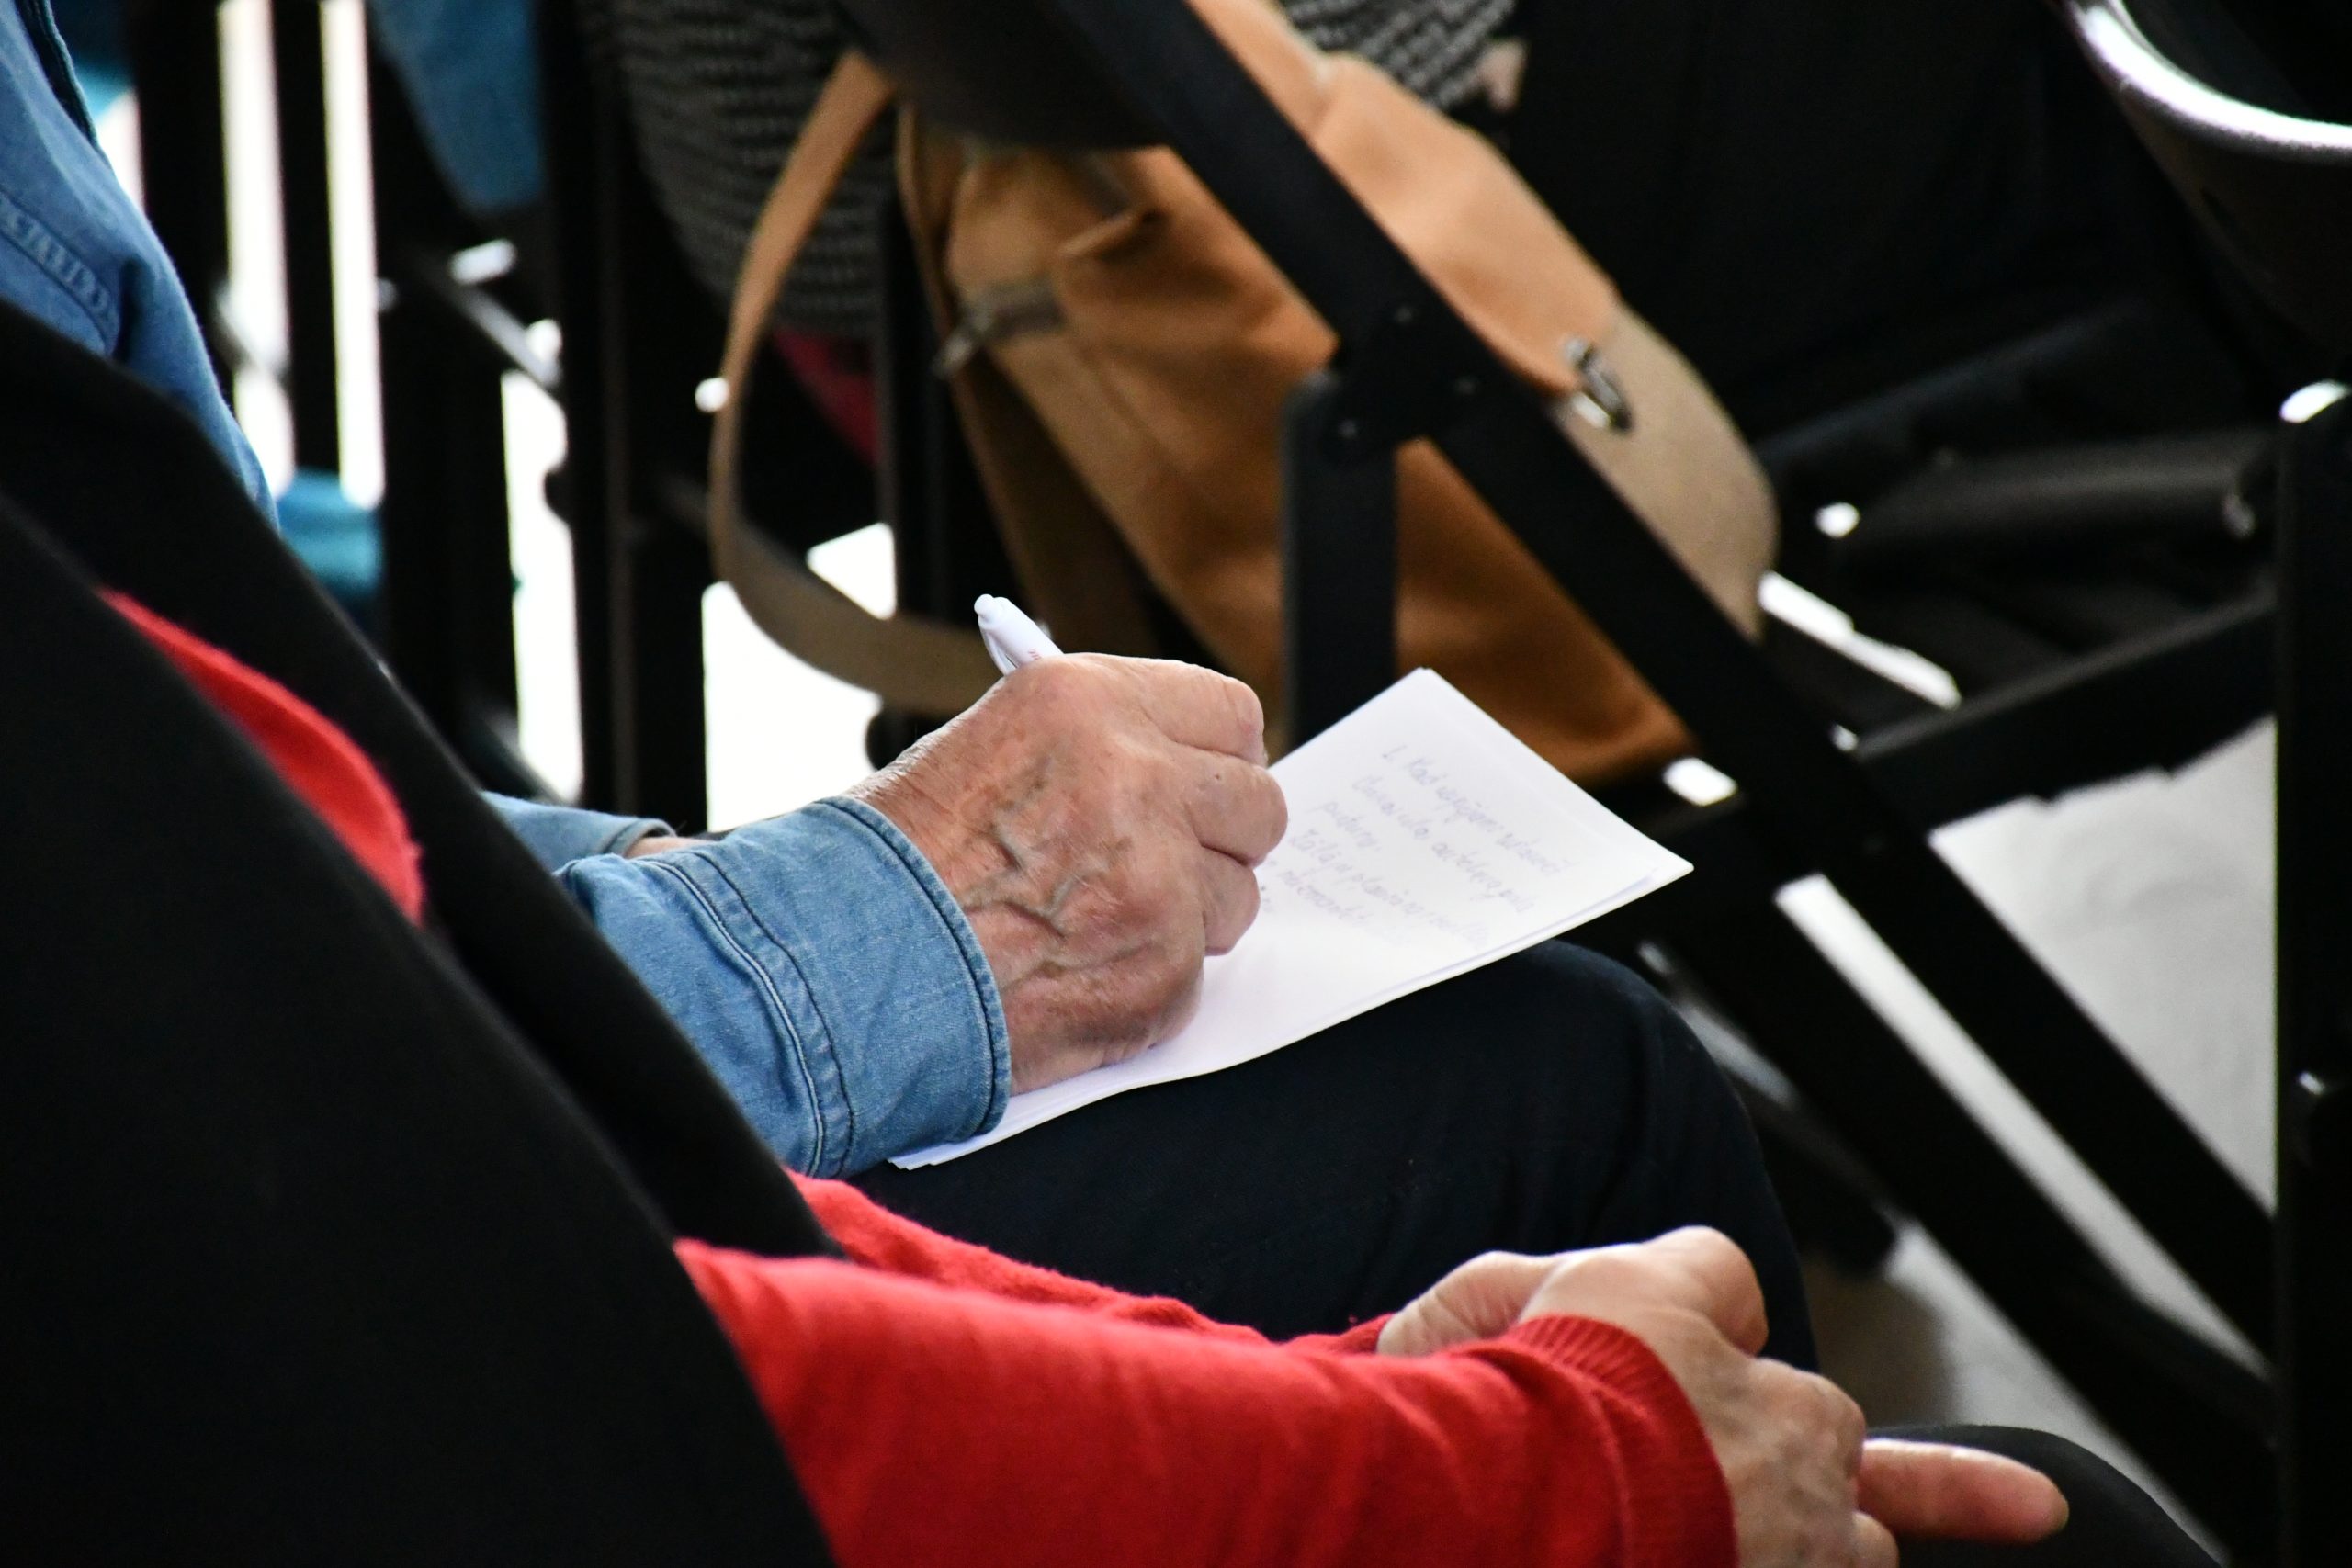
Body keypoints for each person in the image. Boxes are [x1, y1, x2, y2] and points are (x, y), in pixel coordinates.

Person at [4, 0, 1816, 1354]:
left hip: (831, 285)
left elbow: (213, 773)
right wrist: (911, 916)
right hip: (285, 1277)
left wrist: (621, 881)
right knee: (1580, 1087)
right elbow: (192, 1030)